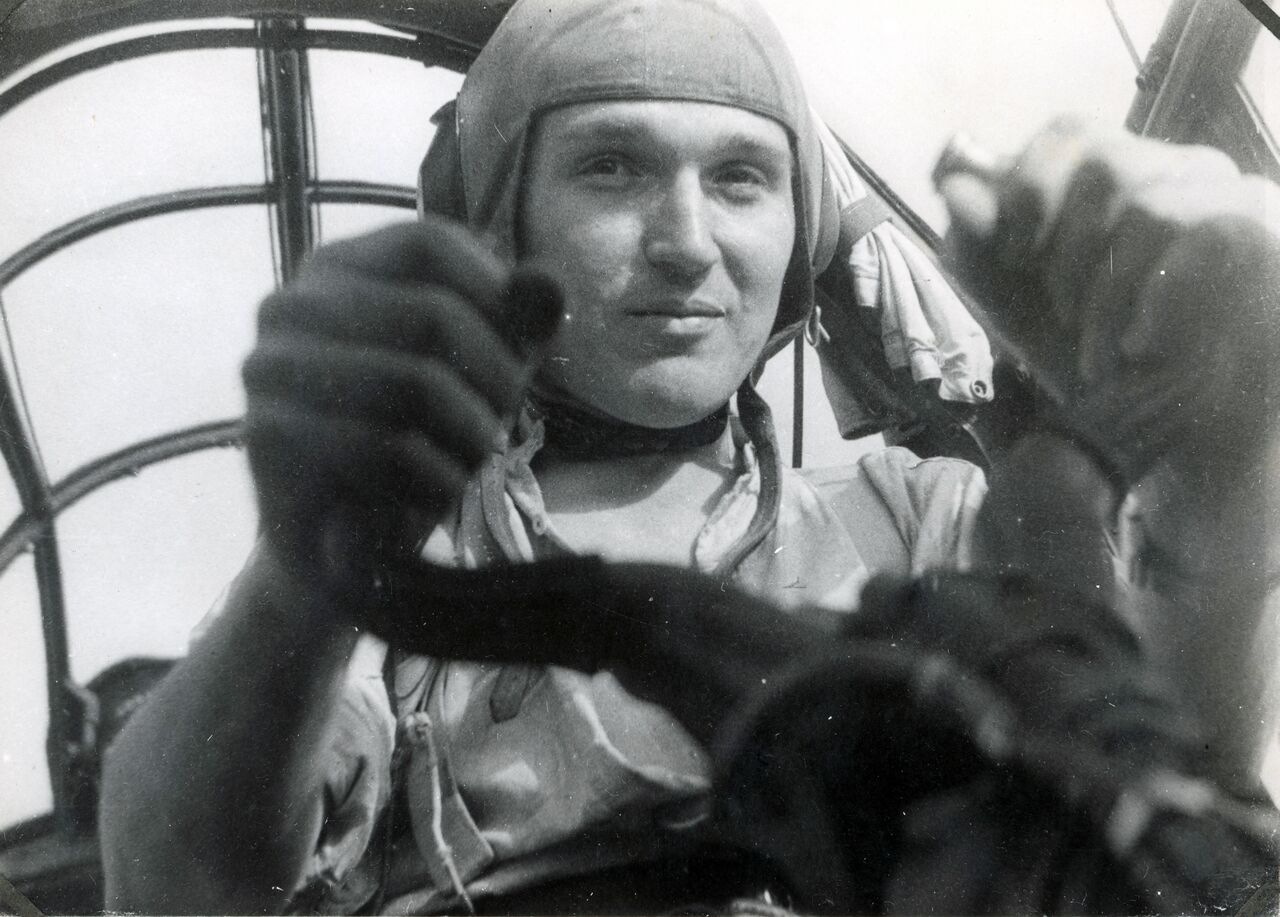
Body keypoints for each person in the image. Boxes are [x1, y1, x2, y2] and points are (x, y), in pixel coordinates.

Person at [98, 0, 1280, 913]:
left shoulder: (920, 518)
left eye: (740, 178)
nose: (684, 242)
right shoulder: (409, 550)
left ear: (798, 227)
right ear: (500, 217)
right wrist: (306, 569)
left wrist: (1217, 475)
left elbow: (1159, 838)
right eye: (610, 166)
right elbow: (174, 889)